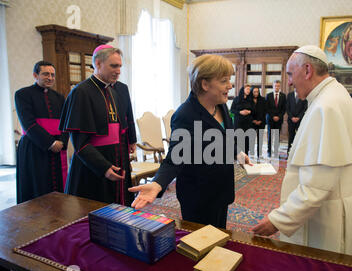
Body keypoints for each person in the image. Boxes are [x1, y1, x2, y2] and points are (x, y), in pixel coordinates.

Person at [252, 45, 352, 257]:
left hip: (328, 216)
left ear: (307, 70)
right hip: (340, 202)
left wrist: (277, 220)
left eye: (290, 74)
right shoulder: (334, 94)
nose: (288, 81)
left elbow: (317, 186)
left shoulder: (325, 107)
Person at [129, 54, 251, 229]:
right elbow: (176, 158)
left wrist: (237, 153)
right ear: (205, 84)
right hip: (199, 197)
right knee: (200, 245)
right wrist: (157, 183)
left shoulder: (221, 104)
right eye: (224, 81)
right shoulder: (186, 115)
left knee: (219, 238)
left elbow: (226, 137)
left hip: (222, 189)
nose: (230, 86)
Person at [59, 45, 137, 205]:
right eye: (113, 66)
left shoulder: (113, 91)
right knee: (95, 214)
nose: (118, 71)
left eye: (120, 66)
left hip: (115, 158)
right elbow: (80, 143)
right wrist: (104, 167)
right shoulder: (81, 92)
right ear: (98, 64)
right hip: (93, 167)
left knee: (117, 211)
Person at [15, 61, 69, 204]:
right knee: (36, 185)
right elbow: (28, 123)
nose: (50, 78)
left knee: (56, 188)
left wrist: (62, 142)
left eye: (52, 75)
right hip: (34, 147)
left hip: (57, 147)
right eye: (45, 74)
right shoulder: (22, 94)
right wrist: (50, 143)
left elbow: (65, 123)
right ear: (35, 75)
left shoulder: (59, 97)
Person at [230, 84, 254, 155]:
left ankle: (245, 153)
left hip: (248, 122)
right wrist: (240, 112)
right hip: (239, 122)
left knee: (247, 138)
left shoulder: (250, 100)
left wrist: (249, 111)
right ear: (243, 90)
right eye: (247, 89)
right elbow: (232, 110)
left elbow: (254, 110)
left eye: (249, 89)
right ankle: (237, 153)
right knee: (238, 138)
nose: (248, 91)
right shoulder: (236, 99)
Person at [266, 80, 286, 157]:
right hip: (270, 119)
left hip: (279, 119)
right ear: (273, 86)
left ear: (279, 86)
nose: (276, 87)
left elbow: (284, 108)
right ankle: (269, 151)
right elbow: (267, 108)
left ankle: (276, 151)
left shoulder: (283, 96)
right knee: (270, 135)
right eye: (275, 86)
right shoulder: (269, 95)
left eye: (278, 86)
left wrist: (279, 116)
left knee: (277, 135)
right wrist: (273, 116)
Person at [286, 89, 307, 153]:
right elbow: (287, 107)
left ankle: (297, 152)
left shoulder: (303, 94)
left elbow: (305, 108)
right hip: (291, 120)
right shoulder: (290, 95)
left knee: (299, 137)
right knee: (291, 136)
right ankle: (289, 152)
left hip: (299, 120)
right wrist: (292, 117)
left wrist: (299, 117)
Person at [250, 86, 267, 158]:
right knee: (252, 139)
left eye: (257, 91)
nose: (256, 93)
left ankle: (259, 154)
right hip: (252, 122)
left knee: (260, 139)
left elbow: (265, 111)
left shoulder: (263, 100)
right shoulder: (249, 100)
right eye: (254, 92)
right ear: (252, 92)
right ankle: (252, 153)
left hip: (261, 122)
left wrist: (260, 120)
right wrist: (253, 120)